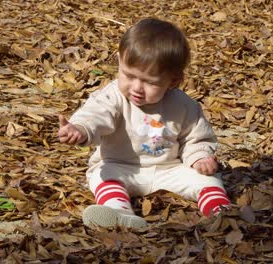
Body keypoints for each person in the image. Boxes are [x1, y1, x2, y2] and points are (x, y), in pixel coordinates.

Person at [58, 18, 230, 228]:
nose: (137, 87)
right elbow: (95, 115)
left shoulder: (184, 105)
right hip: (121, 166)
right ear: (120, 61)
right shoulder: (113, 96)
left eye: (150, 82)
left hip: (169, 169)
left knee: (209, 180)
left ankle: (220, 212)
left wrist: (199, 158)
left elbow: (195, 136)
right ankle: (118, 212)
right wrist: (80, 129)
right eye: (129, 75)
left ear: (173, 81)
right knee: (102, 175)